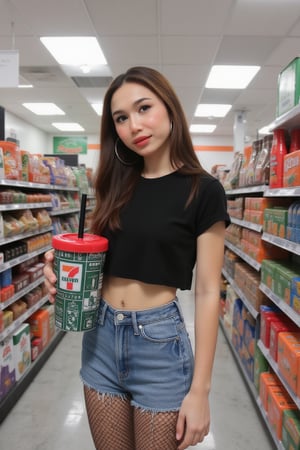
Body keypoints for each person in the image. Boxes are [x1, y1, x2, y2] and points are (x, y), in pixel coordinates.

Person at [44, 66, 230, 450]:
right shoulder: (115, 184)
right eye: (121, 118)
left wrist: (201, 391)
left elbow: (210, 291)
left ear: (170, 108)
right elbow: (98, 259)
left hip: (159, 345)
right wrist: (61, 274)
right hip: (100, 337)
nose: (134, 126)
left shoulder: (204, 190)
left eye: (144, 108)